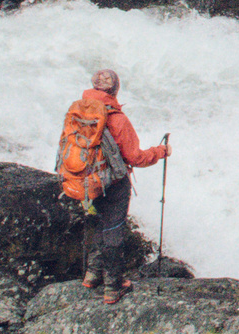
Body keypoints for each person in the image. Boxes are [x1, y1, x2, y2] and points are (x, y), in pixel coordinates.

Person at [56, 68, 168, 305]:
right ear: (115, 89)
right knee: (113, 230)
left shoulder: (77, 112)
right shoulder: (117, 118)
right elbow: (136, 157)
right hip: (113, 185)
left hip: (84, 181)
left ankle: (91, 276)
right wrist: (161, 152)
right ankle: (113, 286)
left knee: (97, 223)